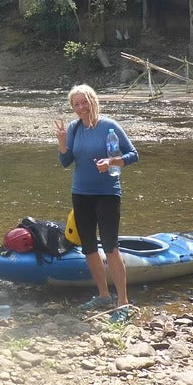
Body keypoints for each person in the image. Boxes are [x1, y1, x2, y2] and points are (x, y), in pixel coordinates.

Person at [54, 84, 139, 324]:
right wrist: (62, 142)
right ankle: (103, 295)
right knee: (89, 247)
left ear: (93, 101)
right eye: (76, 104)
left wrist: (113, 161)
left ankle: (123, 301)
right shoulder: (74, 128)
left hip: (107, 193)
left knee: (111, 247)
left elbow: (133, 154)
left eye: (84, 102)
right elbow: (65, 161)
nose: (81, 108)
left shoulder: (109, 126)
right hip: (81, 194)